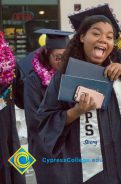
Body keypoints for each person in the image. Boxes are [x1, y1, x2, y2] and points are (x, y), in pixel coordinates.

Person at [37, 4, 121, 184]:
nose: (103, 39)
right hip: (90, 166)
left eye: (110, 37)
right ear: (81, 37)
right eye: (96, 33)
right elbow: (46, 121)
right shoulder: (65, 75)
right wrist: (76, 111)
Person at [22, 29, 72, 184]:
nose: (62, 61)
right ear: (46, 55)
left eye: (66, 57)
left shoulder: (70, 75)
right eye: (58, 57)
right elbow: (35, 119)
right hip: (46, 146)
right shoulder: (33, 80)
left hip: (70, 144)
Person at [0, 31, 26, 184]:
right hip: (8, 124)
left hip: (7, 124)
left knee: (13, 149)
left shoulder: (9, 62)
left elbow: (21, 97)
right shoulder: (9, 60)